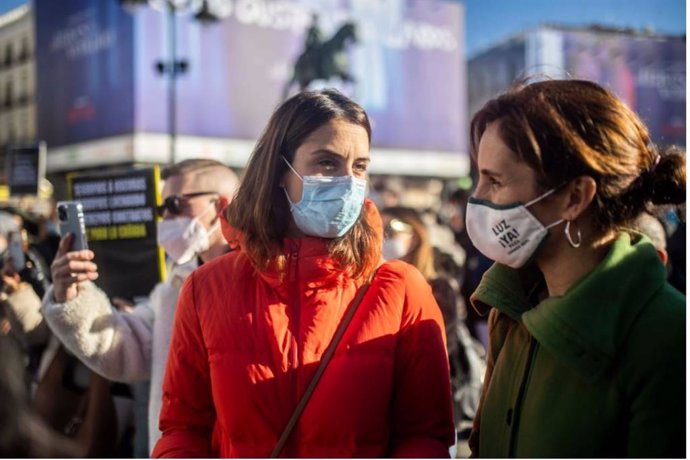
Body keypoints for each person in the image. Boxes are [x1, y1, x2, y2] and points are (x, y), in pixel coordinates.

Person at [153, 89, 455, 458]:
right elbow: (184, 429)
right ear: (281, 169)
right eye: (327, 163)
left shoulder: (403, 290)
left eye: (359, 167)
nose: (348, 183)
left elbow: (425, 436)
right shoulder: (206, 287)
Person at [465, 79, 685, 457]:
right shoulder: (512, 306)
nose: (477, 198)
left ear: (574, 197)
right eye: (479, 177)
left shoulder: (669, 338)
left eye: (494, 181)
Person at [41, 159, 240, 455]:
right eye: (162, 210)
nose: (167, 218)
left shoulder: (264, 275)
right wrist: (70, 294)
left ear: (222, 205)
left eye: (175, 204)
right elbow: (125, 348)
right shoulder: (176, 283)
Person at [380, 206, 484, 437]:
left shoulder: (438, 288)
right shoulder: (371, 285)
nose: (383, 236)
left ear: (417, 234)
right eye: (378, 228)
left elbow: (439, 352)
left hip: (426, 405)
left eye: (393, 228)